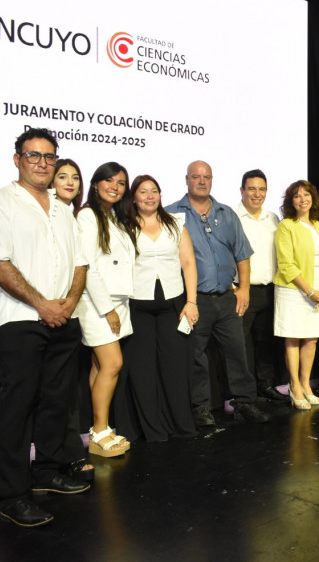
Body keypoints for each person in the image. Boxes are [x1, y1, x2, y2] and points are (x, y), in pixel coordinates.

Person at [0, 128, 90, 527]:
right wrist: (43, 305)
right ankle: (13, 494)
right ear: (17, 159)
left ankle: (47, 473)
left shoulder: (63, 209)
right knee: (18, 409)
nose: (42, 162)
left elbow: (80, 263)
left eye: (49, 156)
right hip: (21, 320)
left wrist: (69, 304)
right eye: (33, 155)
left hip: (63, 318)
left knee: (56, 403)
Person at [166, 161, 270, 425]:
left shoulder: (226, 214)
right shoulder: (171, 214)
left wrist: (244, 288)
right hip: (194, 300)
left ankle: (244, 402)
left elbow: (242, 254)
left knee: (238, 352)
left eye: (207, 177)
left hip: (226, 298)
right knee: (195, 356)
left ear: (212, 180)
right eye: (196, 177)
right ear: (186, 179)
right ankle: (200, 408)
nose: (202, 181)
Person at [115, 174, 198, 442]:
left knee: (175, 366)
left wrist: (192, 301)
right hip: (137, 303)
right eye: (143, 192)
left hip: (173, 302)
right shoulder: (123, 225)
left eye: (154, 191)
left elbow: (188, 263)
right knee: (142, 369)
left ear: (160, 195)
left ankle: (179, 425)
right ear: (133, 197)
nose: (149, 196)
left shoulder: (176, 223)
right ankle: (150, 430)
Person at [75, 162, 135, 457]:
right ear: (96, 183)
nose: (115, 186)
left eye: (121, 182)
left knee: (100, 367)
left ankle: (102, 428)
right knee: (112, 364)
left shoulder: (116, 217)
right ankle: (99, 430)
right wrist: (107, 308)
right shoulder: (87, 216)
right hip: (98, 303)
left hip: (117, 302)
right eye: (109, 180)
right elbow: (88, 267)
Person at [48, 159, 93, 482]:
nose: (69, 182)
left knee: (69, 392)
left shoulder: (76, 216)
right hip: (45, 313)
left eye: (75, 177)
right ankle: (58, 459)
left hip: (73, 312)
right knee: (52, 395)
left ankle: (70, 453)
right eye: (62, 176)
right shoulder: (45, 212)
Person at [273, 180, 319, 409]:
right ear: (291, 202)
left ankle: (306, 384)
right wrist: (310, 291)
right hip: (293, 290)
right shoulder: (287, 226)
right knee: (294, 337)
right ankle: (294, 385)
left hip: (317, 290)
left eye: (307, 195)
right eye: (297, 196)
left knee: (312, 338)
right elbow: (286, 264)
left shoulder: (316, 225)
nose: (303, 199)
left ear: (313, 199)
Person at [234, 169, 287, 402]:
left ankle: (265, 386)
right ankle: (245, 395)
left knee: (266, 343)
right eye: (252, 188)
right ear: (242, 190)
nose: (257, 194)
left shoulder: (273, 218)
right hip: (243, 290)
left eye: (262, 189)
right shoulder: (231, 217)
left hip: (270, 290)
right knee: (242, 345)